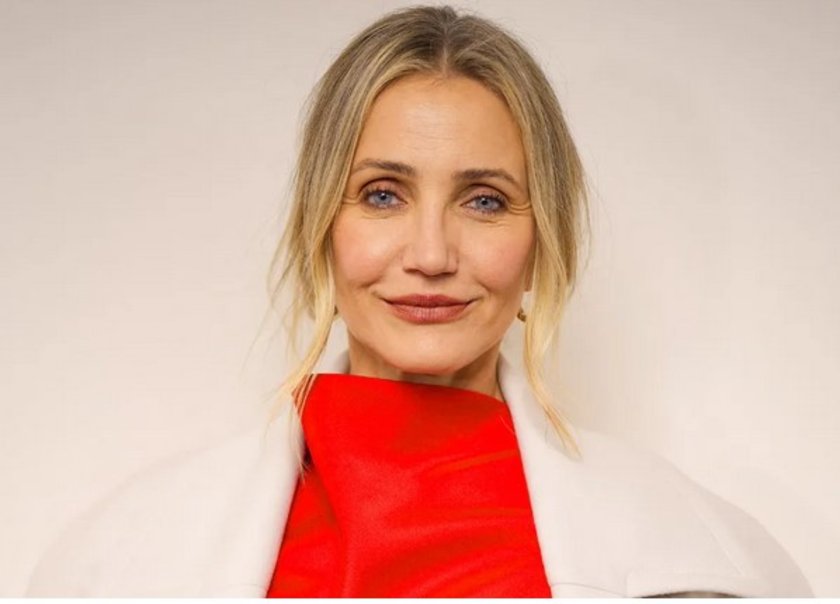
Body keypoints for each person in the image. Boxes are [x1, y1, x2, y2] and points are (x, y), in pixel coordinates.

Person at [25, 5, 812, 598]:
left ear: (542, 243)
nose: (431, 255)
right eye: (382, 195)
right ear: (320, 228)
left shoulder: (709, 560)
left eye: (485, 201)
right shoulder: (118, 560)